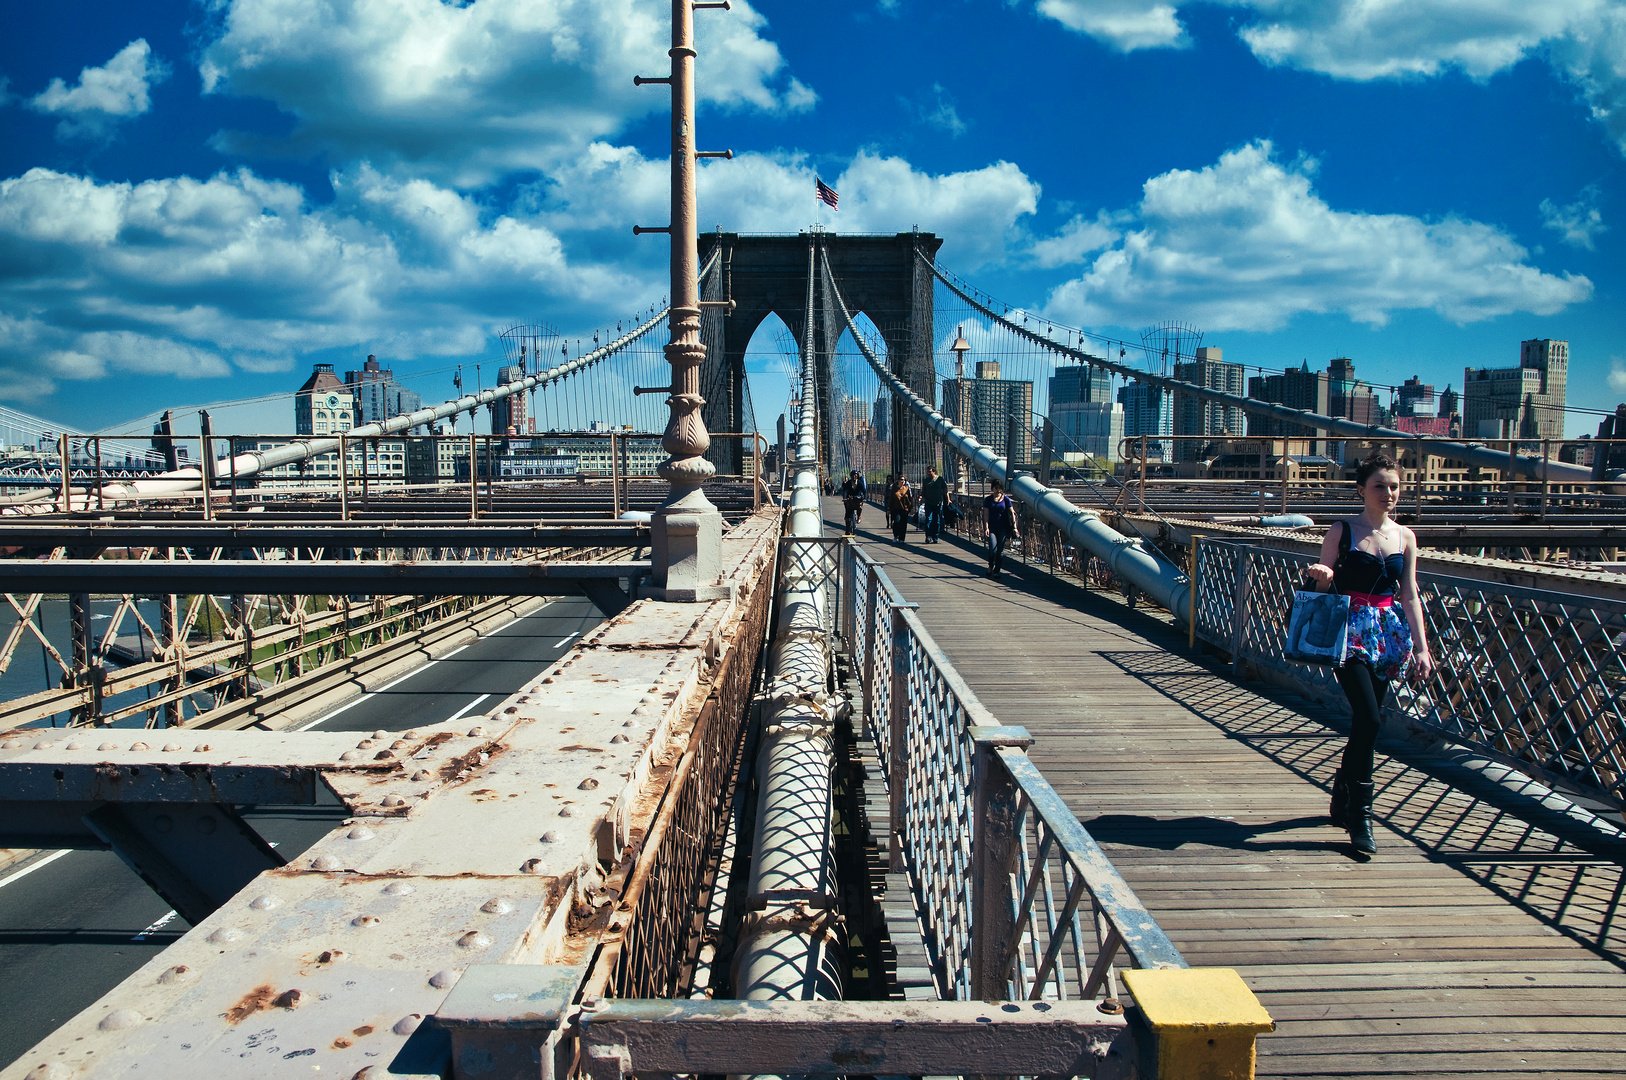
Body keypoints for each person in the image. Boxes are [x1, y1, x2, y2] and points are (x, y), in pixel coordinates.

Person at [1304, 451, 1434, 854]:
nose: (1389, 493)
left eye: (1394, 486)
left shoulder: (1405, 537)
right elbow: (1320, 593)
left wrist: (1423, 650)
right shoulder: (1341, 531)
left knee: (1366, 723)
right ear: (1362, 489)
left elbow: (1409, 595)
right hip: (1348, 631)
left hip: (1386, 634)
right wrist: (1322, 577)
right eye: (1380, 486)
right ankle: (1361, 817)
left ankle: (1343, 790)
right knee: (1371, 718)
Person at [983, 478, 1019, 577]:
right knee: (992, 549)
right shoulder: (988, 500)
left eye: (1000, 488)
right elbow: (986, 514)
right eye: (996, 488)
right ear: (992, 488)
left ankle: (996, 570)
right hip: (992, 528)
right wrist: (986, 528)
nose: (998, 490)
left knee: (1000, 551)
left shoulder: (1006, 499)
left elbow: (1012, 513)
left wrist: (1015, 527)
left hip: (1003, 528)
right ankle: (990, 565)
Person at [921, 466, 948, 543]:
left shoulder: (940, 480)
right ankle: (928, 536)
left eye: (930, 472)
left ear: (934, 472)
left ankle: (935, 536)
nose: (928, 473)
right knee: (928, 519)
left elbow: (945, 490)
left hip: (938, 503)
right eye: (927, 472)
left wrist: (948, 499)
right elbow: (923, 490)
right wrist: (922, 497)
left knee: (937, 521)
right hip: (928, 502)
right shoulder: (926, 480)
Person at [885, 474, 914, 544]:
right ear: (898, 480)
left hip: (904, 509)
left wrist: (911, 508)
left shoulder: (907, 489)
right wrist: (888, 508)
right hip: (895, 508)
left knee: (903, 524)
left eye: (904, 480)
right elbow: (891, 499)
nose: (902, 481)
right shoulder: (894, 489)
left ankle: (902, 538)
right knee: (897, 522)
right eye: (901, 480)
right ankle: (895, 535)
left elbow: (910, 499)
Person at [839, 469, 867, 535]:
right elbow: (845, 491)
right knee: (848, 514)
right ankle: (847, 530)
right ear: (851, 476)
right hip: (850, 498)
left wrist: (865, 498)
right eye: (853, 475)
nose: (855, 477)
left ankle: (859, 516)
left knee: (859, 506)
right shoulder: (848, 483)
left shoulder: (860, 483)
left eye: (856, 475)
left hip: (857, 497)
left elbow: (864, 491)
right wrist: (845, 498)